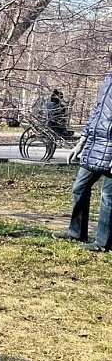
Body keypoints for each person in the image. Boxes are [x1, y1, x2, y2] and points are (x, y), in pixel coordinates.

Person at [64, 74, 112, 252]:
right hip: (95, 145)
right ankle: (76, 232)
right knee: (79, 188)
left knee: (108, 197)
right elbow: (97, 113)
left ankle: (104, 243)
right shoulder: (108, 80)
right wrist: (81, 142)